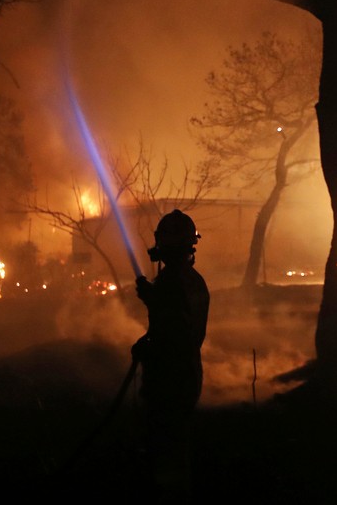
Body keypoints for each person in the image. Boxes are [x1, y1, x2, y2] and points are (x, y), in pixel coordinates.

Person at [132, 209, 209, 502]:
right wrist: (153, 299)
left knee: (165, 449)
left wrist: (146, 346)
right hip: (188, 374)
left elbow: (173, 333)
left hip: (169, 379)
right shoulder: (194, 280)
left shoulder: (170, 283)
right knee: (178, 446)